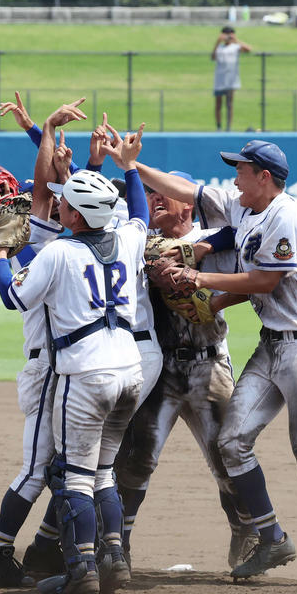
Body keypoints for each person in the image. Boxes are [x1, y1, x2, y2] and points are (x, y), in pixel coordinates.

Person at [139, 140, 297, 586]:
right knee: (232, 442)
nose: (234, 178)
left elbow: (265, 280)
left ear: (264, 176)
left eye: (241, 170)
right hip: (270, 347)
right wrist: (131, 164)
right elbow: (188, 192)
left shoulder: (286, 215)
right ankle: (271, 538)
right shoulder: (245, 207)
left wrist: (199, 277)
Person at [0, 125, 151, 594]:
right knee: (104, 471)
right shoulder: (127, 239)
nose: (59, 204)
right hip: (131, 371)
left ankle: (81, 568)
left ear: (76, 215)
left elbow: (12, 297)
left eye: (66, 202)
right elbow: (140, 214)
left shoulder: (59, 252)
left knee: (76, 475)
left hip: (85, 375)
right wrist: (129, 169)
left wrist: (0, 253)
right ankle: (114, 558)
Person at [111, 183, 257, 571]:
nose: (156, 198)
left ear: (188, 207)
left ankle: (246, 532)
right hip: (161, 368)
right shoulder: (143, 242)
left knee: (226, 457)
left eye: (164, 194)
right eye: (151, 195)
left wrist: (203, 266)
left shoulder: (214, 241)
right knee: (138, 457)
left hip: (209, 366)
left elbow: (247, 257)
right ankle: (118, 544)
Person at [212, 27, 252, 131]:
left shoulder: (235, 47)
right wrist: (218, 42)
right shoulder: (219, 47)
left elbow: (248, 49)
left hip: (231, 80)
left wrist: (235, 40)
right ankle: (219, 127)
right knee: (218, 104)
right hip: (219, 80)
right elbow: (213, 57)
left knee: (229, 104)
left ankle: (228, 127)